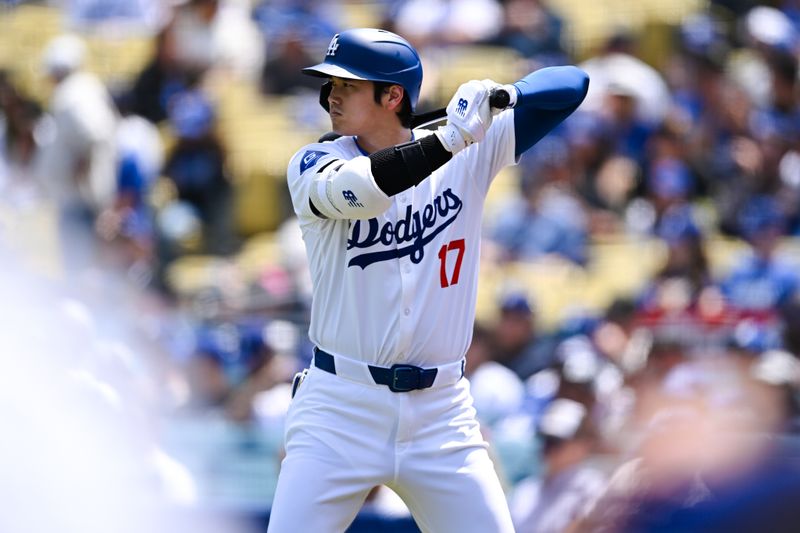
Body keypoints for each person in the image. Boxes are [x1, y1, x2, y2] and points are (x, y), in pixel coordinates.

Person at [269, 28, 588, 532]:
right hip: (340, 406)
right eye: (330, 83)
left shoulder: (468, 148)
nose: (332, 94)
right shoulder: (315, 162)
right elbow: (370, 187)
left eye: (348, 85)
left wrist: (508, 94)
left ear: (392, 95)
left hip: (442, 412)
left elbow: (573, 85)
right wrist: (452, 138)